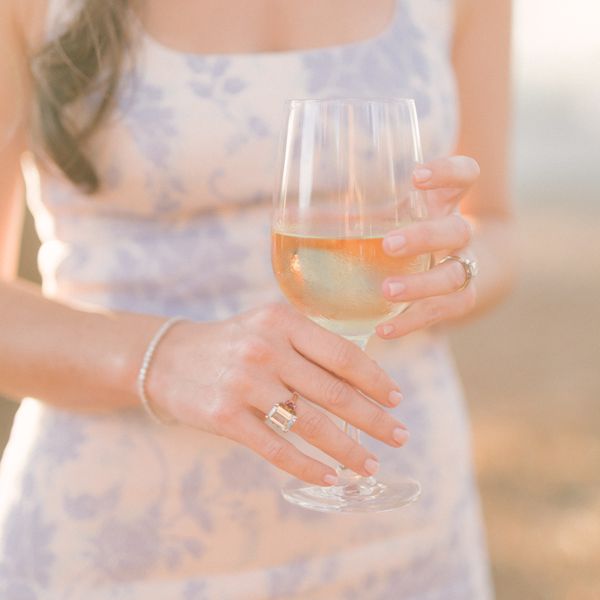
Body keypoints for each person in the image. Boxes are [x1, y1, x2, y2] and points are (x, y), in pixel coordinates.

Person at [0, 0, 514, 597]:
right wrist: (163, 356)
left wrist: (457, 270)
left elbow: (495, 224)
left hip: (403, 528)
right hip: (114, 540)